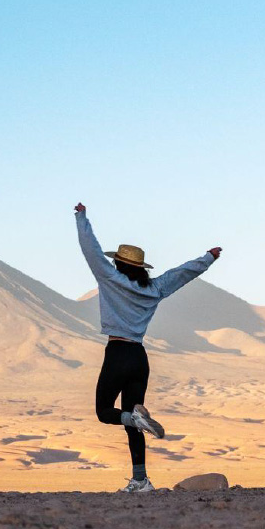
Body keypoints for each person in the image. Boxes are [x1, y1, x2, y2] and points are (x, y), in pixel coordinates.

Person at [74, 203, 221, 493]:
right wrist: (208, 258)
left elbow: (91, 250)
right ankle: (140, 480)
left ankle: (133, 422)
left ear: (118, 265)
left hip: (117, 354)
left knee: (105, 412)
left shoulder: (110, 279)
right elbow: (181, 273)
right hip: (139, 358)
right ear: (140, 268)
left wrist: (81, 217)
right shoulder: (154, 289)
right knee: (135, 423)